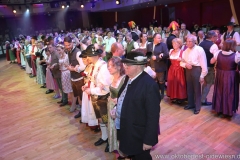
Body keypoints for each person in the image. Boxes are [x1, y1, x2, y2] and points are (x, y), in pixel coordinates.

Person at [116, 51, 160, 160]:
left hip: (138, 134)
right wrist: (116, 108)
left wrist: (149, 140)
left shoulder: (149, 86)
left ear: (139, 66)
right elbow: (124, 97)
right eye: (125, 63)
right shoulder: (129, 77)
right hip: (128, 129)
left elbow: (153, 116)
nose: (124, 66)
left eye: (128, 64)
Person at [82, 45, 111, 151]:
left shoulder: (103, 67)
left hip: (103, 98)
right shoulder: (94, 66)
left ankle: (110, 141)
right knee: (101, 119)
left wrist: (92, 90)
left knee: (106, 120)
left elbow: (106, 87)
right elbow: (94, 81)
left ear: (93, 55)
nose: (86, 58)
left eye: (88, 56)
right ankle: (104, 137)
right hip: (96, 97)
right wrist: (87, 86)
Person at [210, 39, 240, 117]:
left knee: (220, 91)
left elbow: (211, 62)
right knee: (229, 92)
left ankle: (218, 109)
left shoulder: (218, 53)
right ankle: (228, 111)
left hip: (220, 75)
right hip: (231, 76)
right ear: (233, 46)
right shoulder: (236, 55)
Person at [180, 35, 208, 114]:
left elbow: (204, 64)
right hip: (188, 70)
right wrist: (185, 65)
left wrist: (202, 75)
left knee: (197, 89)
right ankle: (190, 104)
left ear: (194, 41)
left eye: (190, 41)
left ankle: (197, 107)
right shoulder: (185, 51)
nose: (188, 43)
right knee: (189, 88)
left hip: (197, 69)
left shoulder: (199, 49)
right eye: (187, 41)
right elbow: (181, 62)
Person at [107, 57, 126, 157]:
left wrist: (117, 101)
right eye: (108, 66)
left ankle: (122, 151)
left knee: (119, 129)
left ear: (118, 67)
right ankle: (116, 148)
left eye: (111, 66)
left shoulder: (124, 79)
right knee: (112, 128)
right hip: (110, 106)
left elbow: (127, 96)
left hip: (119, 108)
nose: (109, 68)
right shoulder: (111, 77)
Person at [64, 36, 86, 115]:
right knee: (77, 95)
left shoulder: (78, 52)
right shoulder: (69, 52)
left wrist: (73, 69)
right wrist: (69, 67)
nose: (67, 47)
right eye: (66, 45)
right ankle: (81, 111)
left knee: (81, 96)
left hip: (79, 79)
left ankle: (83, 113)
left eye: (69, 45)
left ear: (72, 43)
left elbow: (83, 66)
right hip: (73, 78)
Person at [199, 30, 219, 106]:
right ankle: (203, 100)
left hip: (200, 66)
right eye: (216, 37)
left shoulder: (201, 43)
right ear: (213, 37)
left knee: (203, 83)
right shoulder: (213, 46)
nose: (217, 38)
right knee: (208, 83)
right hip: (208, 67)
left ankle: (200, 98)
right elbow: (215, 57)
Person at [146, 33, 169, 99]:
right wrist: (148, 59)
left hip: (160, 65)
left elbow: (166, 54)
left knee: (161, 81)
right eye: (158, 38)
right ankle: (155, 93)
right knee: (154, 81)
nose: (160, 39)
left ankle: (162, 93)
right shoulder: (149, 45)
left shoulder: (163, 45)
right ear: (154, 38)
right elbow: (148, 54)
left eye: (160, 38)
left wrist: (157, 57)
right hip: (151, 66)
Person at [167, 38, 187, 104]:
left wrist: (182, 60)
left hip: (179, 70)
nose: (174, 45)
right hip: (172, 69)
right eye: (173, 43)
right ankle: (173, 97)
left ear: (179, 44)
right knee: (172, 83)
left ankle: (180, 97)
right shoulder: (171, 51)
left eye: (176, 43)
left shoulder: (182, 52)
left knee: (179, 83)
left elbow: (186, 61)